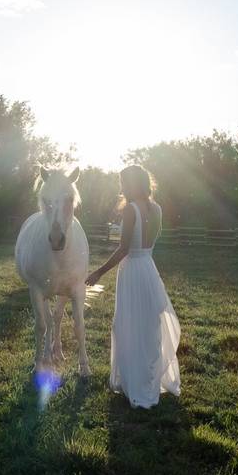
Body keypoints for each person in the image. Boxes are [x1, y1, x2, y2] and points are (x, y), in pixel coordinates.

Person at [86, 165, 180, 408]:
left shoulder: (131, 210)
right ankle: (146, 380)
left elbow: (124, 249)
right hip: (149, 267)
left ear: (134, 184)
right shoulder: (157, 209)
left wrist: (98, 272)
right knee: (148, 326)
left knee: (129, 325)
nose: (121, 188)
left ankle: (136, 385)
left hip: (133, 270)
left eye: (124, 183)